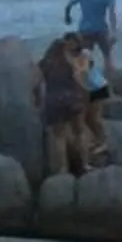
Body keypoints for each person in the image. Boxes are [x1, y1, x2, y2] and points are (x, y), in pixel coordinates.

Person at [35, 34, 92, 176]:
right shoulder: (70, 60)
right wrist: (86, 94)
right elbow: (79, 79)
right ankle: (85, 164)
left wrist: (38, 101)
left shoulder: (44, 64)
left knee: (59, 137)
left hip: (53, 101)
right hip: (72, 98)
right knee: (80, 132)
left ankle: (63, 169)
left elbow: (37, 84)